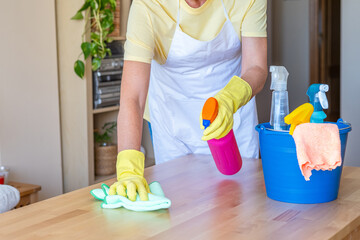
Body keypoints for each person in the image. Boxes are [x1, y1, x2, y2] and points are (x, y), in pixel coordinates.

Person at [109, 0, 268, 201]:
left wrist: (230, 99)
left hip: (232, 118)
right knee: (182, 210)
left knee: (239, 207)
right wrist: (128, 169)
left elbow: (257, 68)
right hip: (173, 122)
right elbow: (133, 97)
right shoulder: (148, 6)